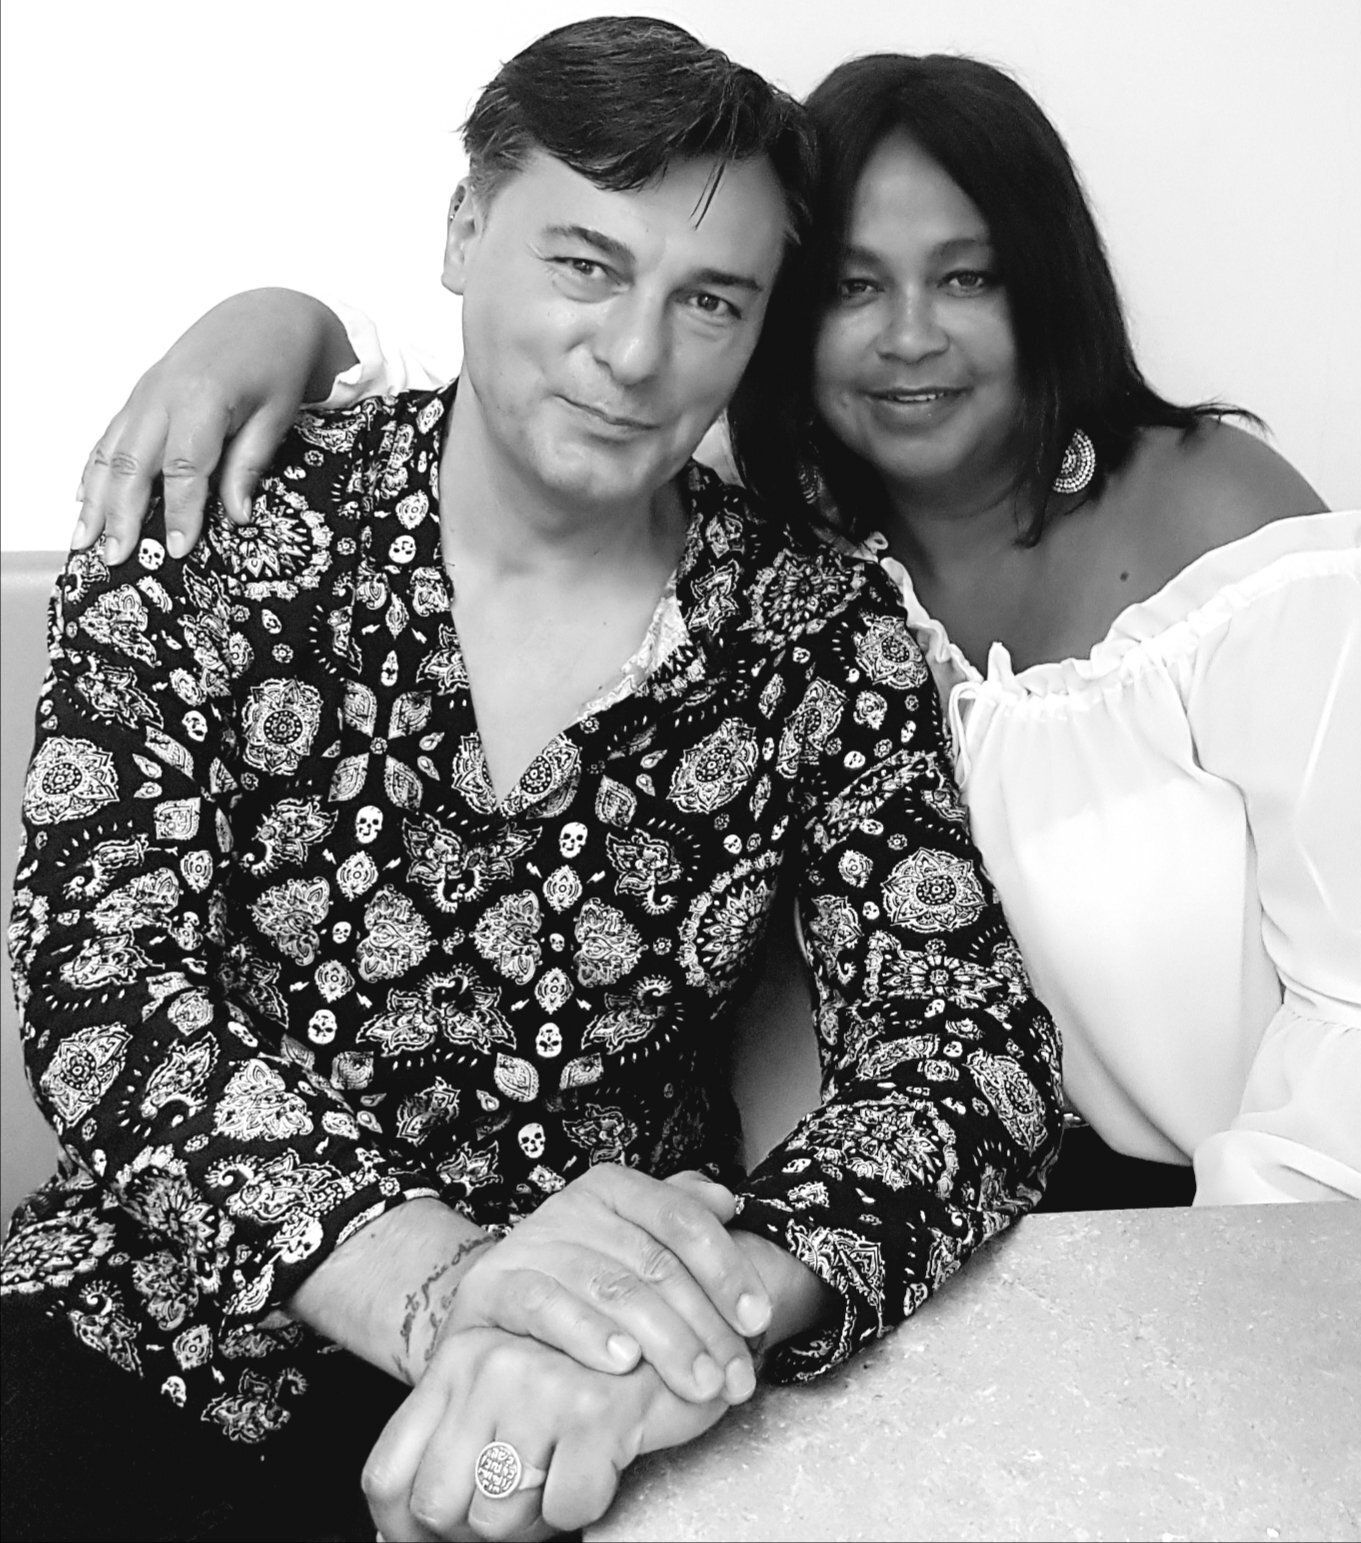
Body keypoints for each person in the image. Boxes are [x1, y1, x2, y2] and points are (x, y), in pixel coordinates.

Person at [1, 22, 1061, 1543]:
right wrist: (439, 1288)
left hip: (598, 1388)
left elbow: (969, 1051)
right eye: (584, 266)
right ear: (462, 232)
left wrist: (703, 1318)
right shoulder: (209, 533)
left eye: (709, 301)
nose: (634, 356)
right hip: (153, 1333)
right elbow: (104, 982)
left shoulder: (817, 632)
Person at [68, 49, 1361, 1212]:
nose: (910, 338)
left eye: (967, 277)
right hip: (879, 1215)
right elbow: (533, 397)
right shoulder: (779, 522)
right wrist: (274, 321)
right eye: (853, 288)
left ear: (1043, 290)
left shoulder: (1222, 529)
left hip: (1222, 1215)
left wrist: (1235, 1293)